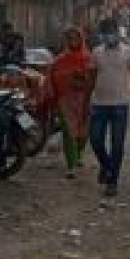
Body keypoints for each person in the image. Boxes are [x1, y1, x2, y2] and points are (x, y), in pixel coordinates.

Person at [84, 17, 130, 197]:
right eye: (105, 33)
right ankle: (106, 165)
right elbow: (91, 79)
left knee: (117, 145)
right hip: (99, 105)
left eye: (111, 31)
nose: (109, 36)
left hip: (120, 105)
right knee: (95, 140)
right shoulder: (96, 53)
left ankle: (112, 181)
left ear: (117, 32)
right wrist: (85, 102)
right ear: (101, 35)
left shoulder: (128, 52)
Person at [48, 26, 90, 179]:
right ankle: (70, 165)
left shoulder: (88, 58)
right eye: (70, 38)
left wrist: (81, 77)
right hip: (65, 99)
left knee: (83, 132)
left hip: (85, 99)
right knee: (69, 133)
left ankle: (78, 155)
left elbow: (94, 78)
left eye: (76, 38)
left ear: (81, 39)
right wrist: (67, 76)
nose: (73, 41)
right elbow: (52, 78)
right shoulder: (59, 60)